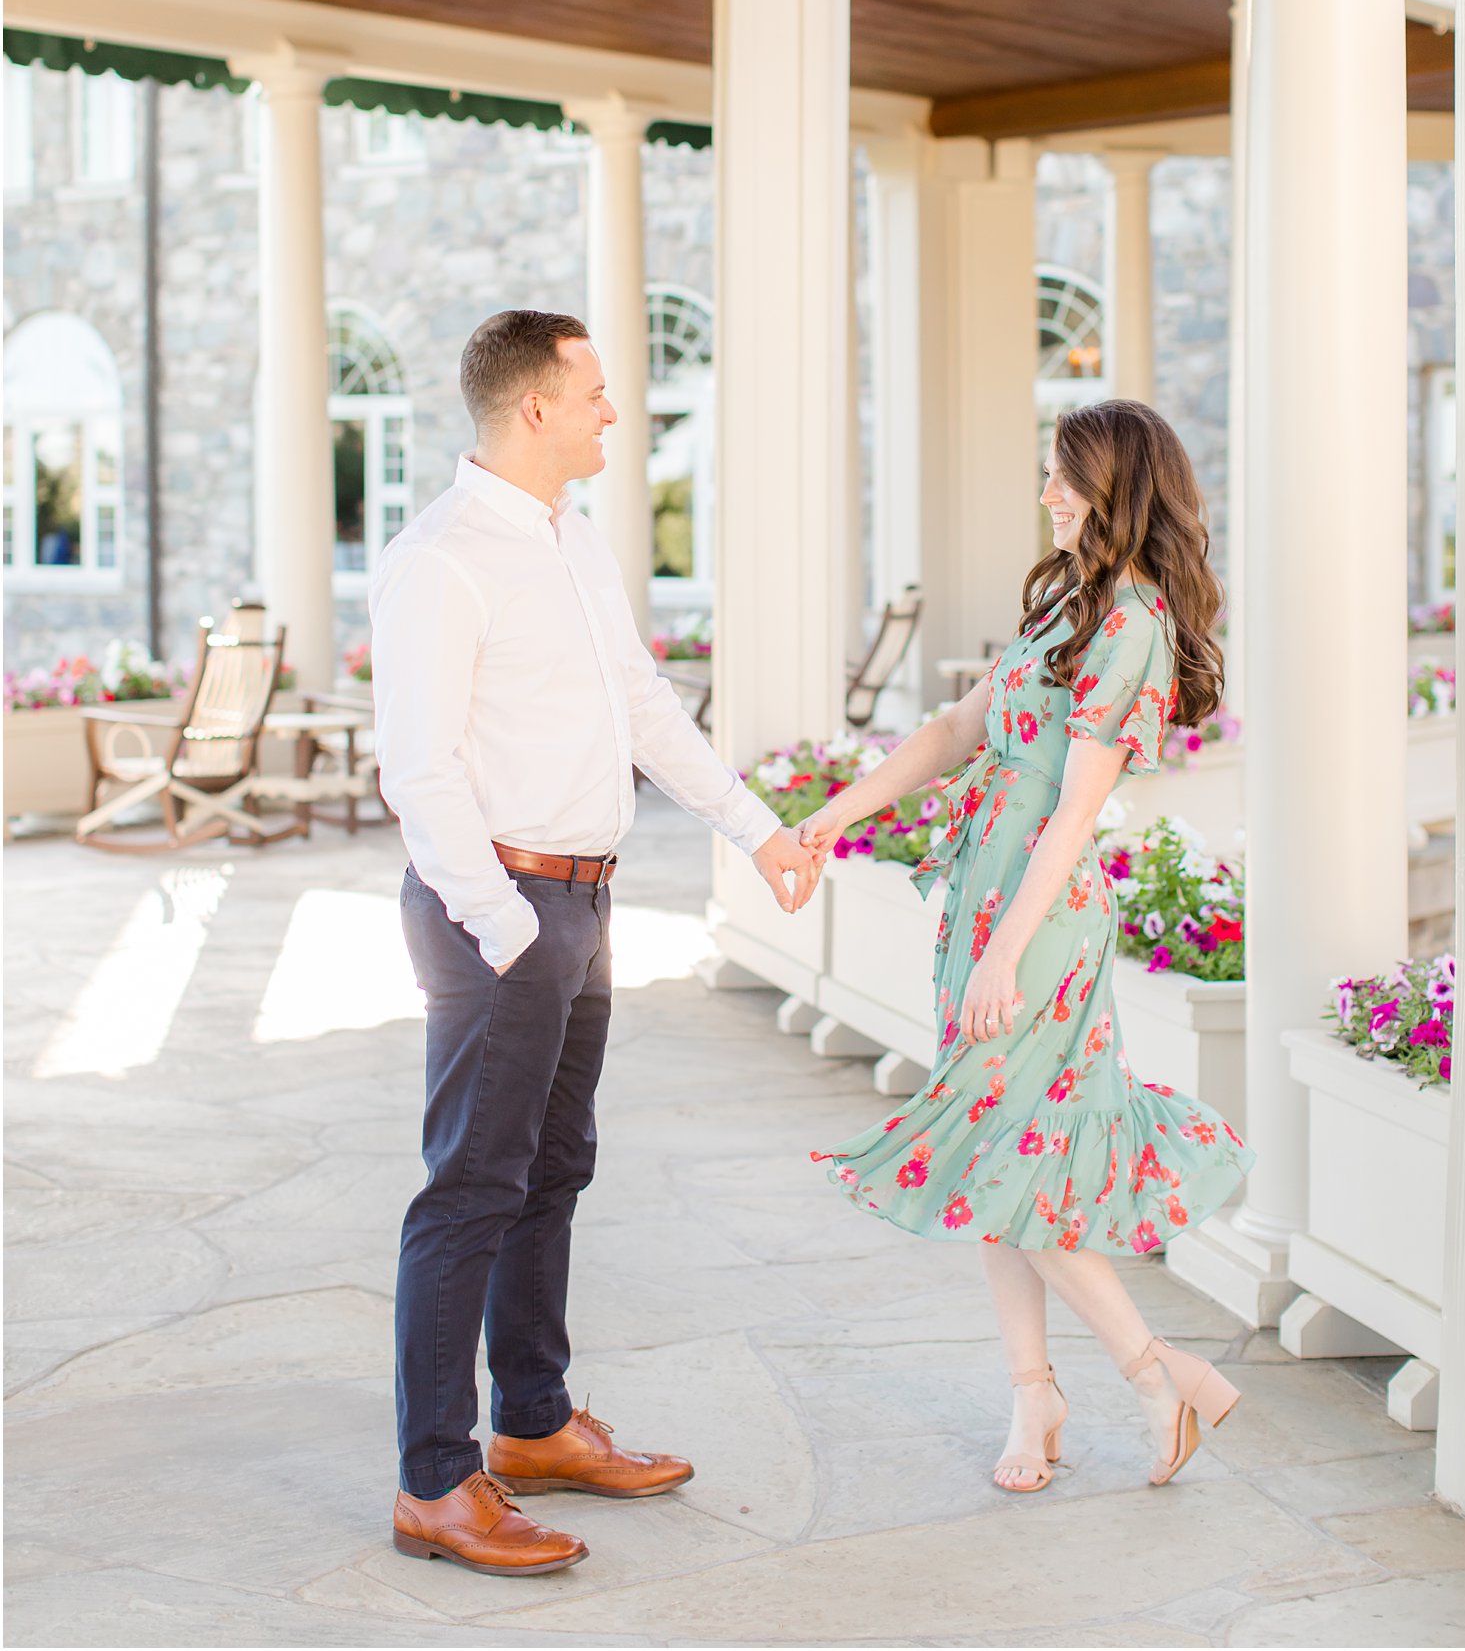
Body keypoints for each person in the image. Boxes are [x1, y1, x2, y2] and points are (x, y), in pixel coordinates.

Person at [371, 308, 820, 1577]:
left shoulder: (572, 544)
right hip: (499, 913)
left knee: (553, 1167)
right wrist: (508, 927)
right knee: (469, 1189)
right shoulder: (441, 559)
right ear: (533, 409)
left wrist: (757, 830)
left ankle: (532, 1422)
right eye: (595, 395)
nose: (612, 414)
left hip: (584, 902)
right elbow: (419, 768)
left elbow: (643, 708)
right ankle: (434, 1482)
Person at [801, 400, 1252, 1494]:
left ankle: (1158, 1379)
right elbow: (954, 733)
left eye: (1064, 479)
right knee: (992, 1158)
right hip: (984, 904)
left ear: (1116, 491)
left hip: (1036, 922)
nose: (1046, 495)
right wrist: (830, 818)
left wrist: (1005, 952)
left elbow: (1072, 813)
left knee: (1007, 1151)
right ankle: (1033, 1393)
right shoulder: (1067, 606)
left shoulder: (1133, 624)